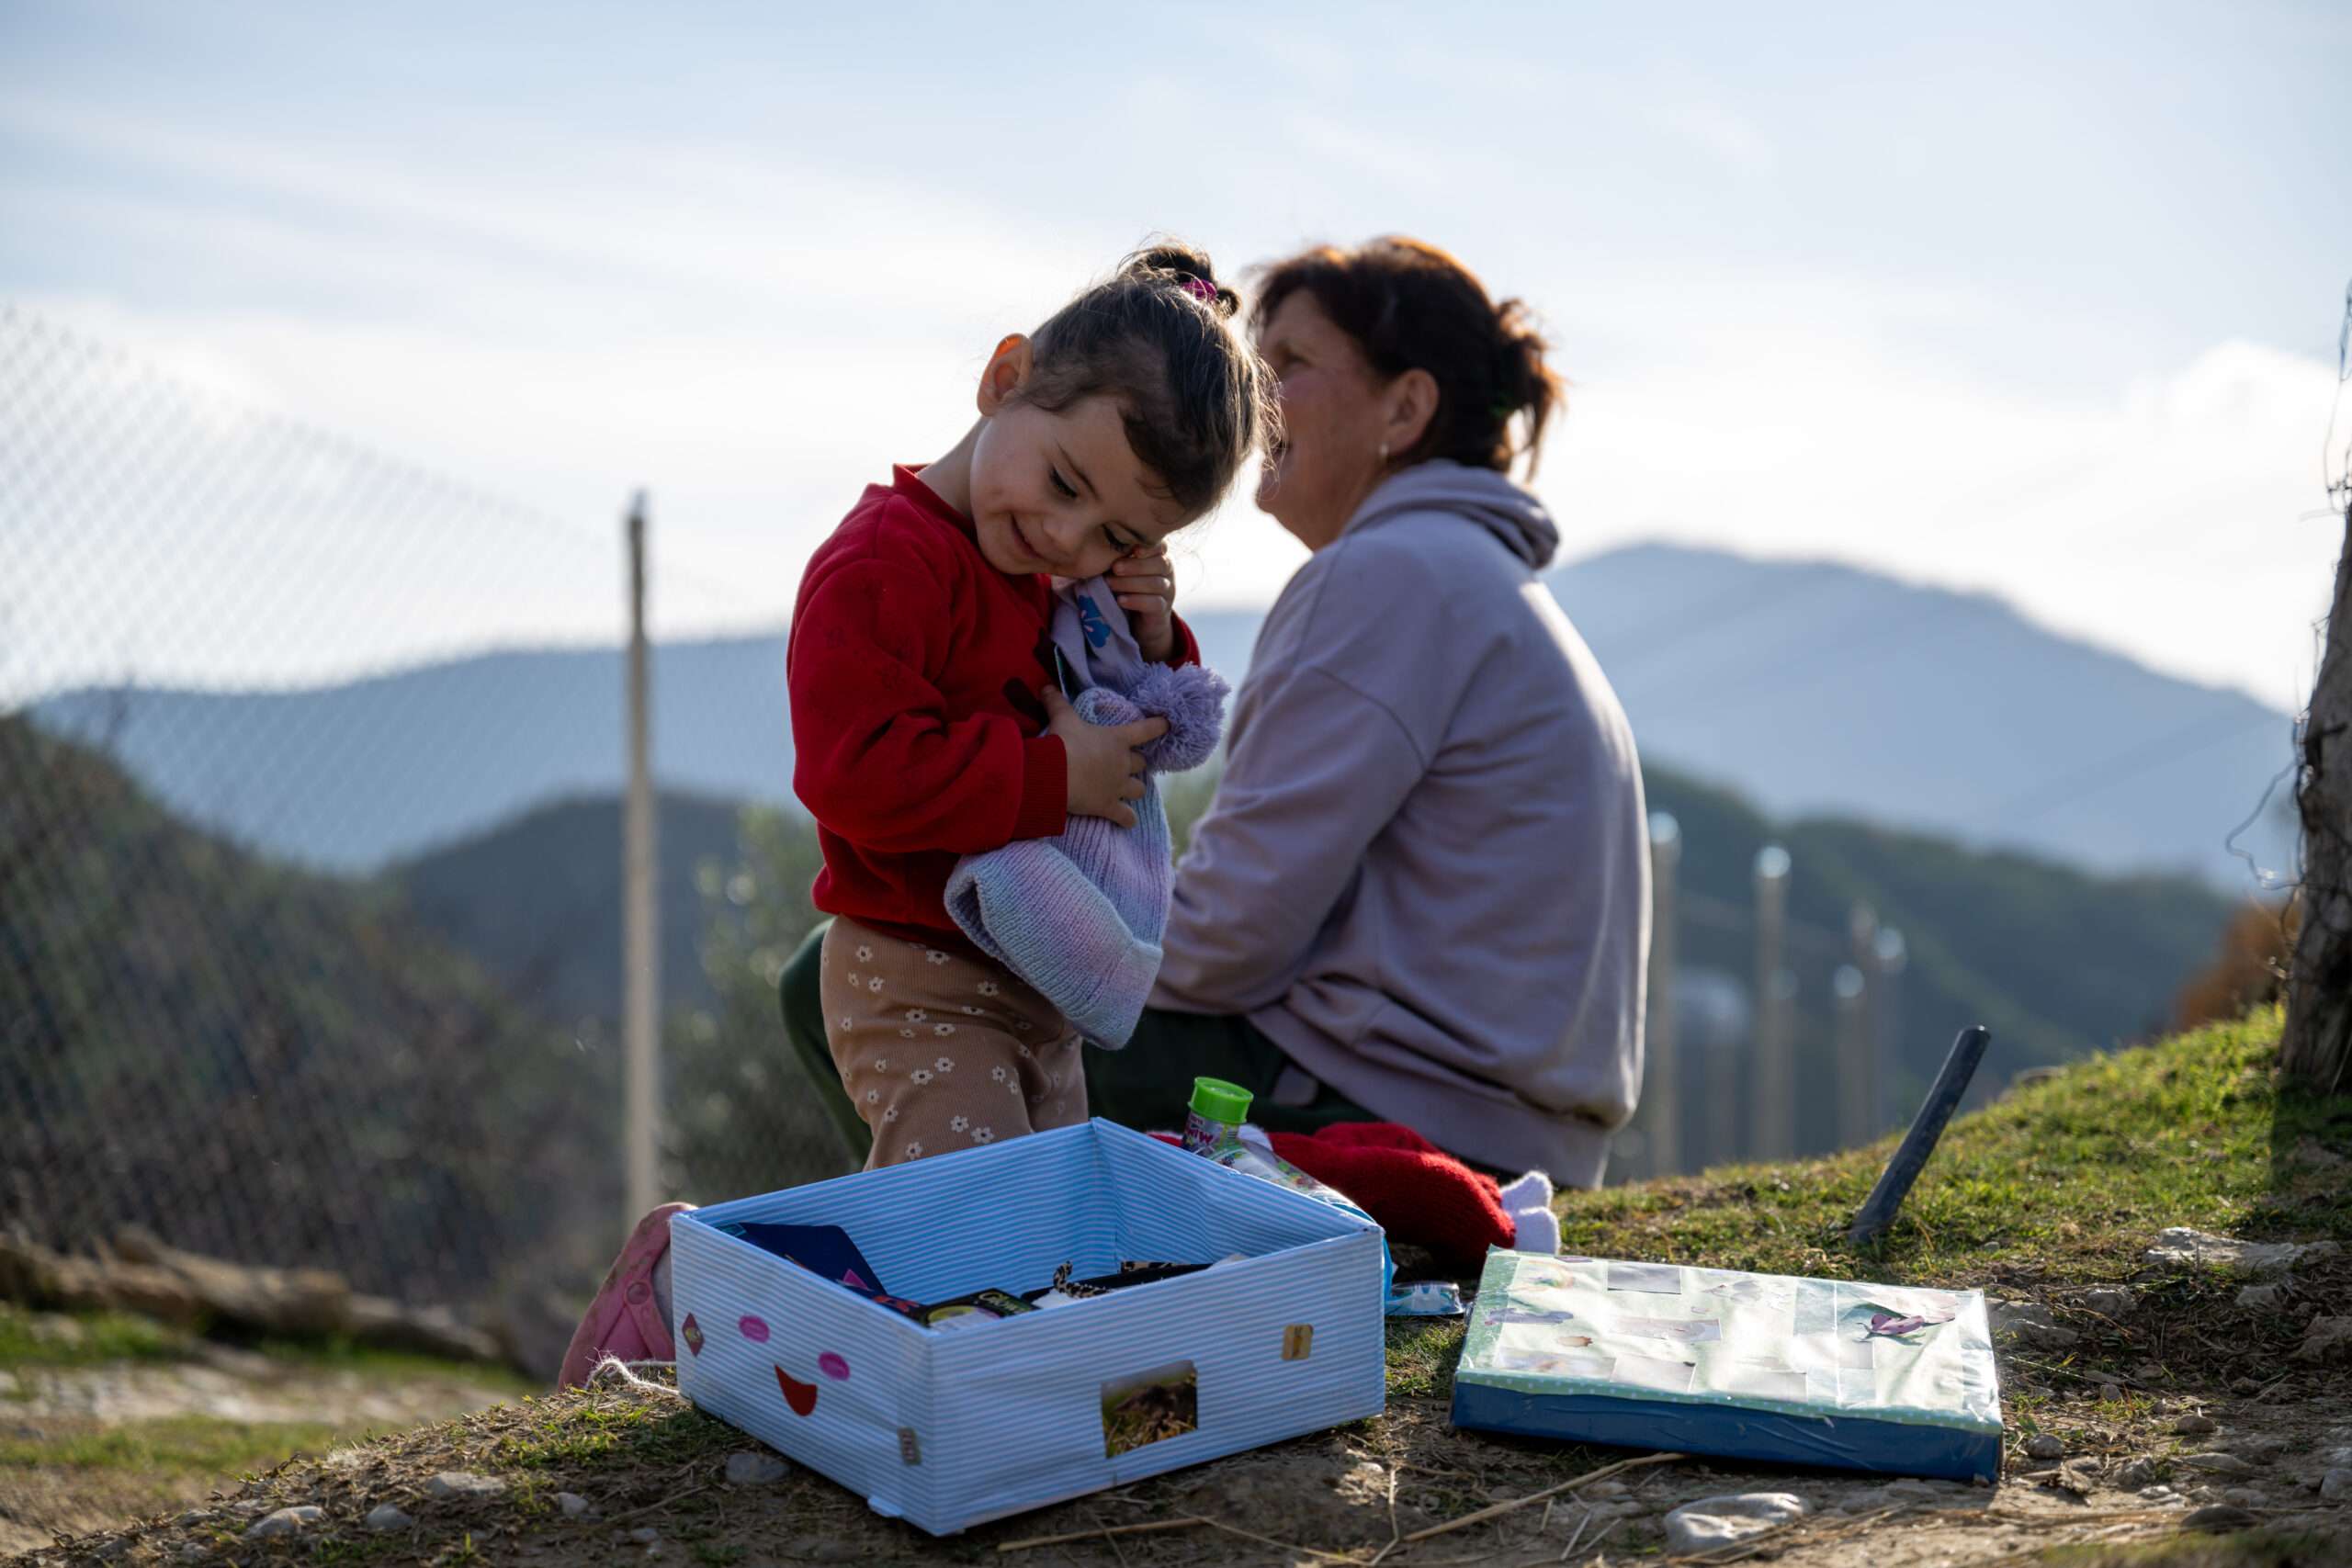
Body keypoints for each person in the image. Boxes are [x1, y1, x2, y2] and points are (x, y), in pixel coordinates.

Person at [557, 241, 1274, 1383]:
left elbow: (1126, 711)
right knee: (968, 1239)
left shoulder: (1045, 572)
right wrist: (1051, 778)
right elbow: (856, 773)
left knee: (1039, 1244)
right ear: (1003, 379)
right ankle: (692, 1291)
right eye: (1065, 486)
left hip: (1033, 976)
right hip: (914, 972)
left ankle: (963, 1399)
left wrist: (1148, 632)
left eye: (1117, 538)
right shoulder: (883, 562)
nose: (1069, 541)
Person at [1083, 237, 1650, 1189]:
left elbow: (1227, 941)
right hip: (1504, 1131)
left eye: (1292, 363)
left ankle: (944, 1273)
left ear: (1405, 408)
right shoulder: (1476, 578)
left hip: (1380, 1112)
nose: (1255, 394)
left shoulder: (1386, 575)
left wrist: (1041, 947)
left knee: (892, 982)